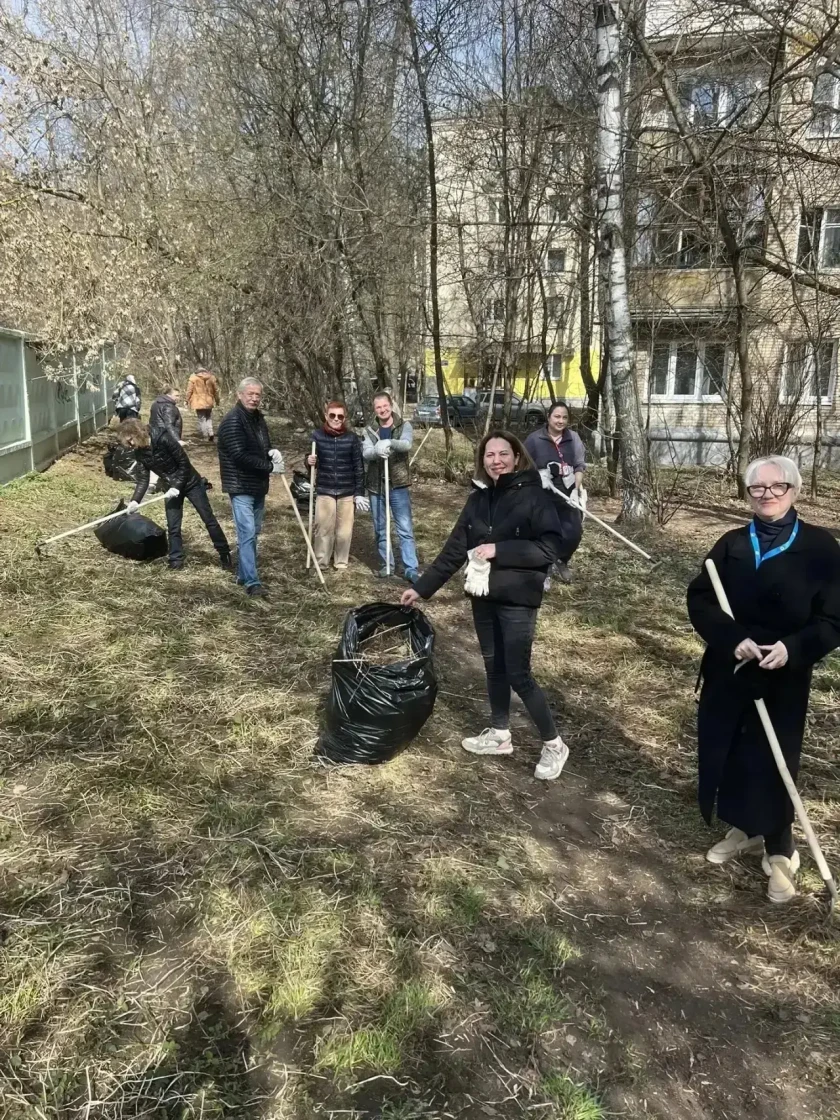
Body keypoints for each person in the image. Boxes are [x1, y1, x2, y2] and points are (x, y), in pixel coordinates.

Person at [687, 455, 840, 904]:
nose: (767, 495)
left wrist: (793, 648)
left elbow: (834, 618)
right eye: (757, 488)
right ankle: (745, 830)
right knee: (730, 748)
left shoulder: (821, 547)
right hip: (731, 665)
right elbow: (701, 599)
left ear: (794, 490)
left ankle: (780, 848)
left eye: (777, 487)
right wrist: (731, 638)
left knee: (774, 758)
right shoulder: (731, 543)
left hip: (782, 672)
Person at [401, 430, 571, 781]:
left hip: (518, 598)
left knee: (518, 673)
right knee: (494, 667)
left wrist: (498, 550)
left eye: (503, 453)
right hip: (483, 594)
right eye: (489, 455)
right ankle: (499, 734)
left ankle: (554, 744)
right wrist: (421, 589)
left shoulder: (535, 496)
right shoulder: (478, 499)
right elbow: (454, 549)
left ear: (517, 456)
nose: (496, 460)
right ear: (483, 461)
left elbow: (549, 549)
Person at [117, 419, 231, 571]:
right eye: (127, 442)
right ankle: (176, 560)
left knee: (208, 519)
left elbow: (184, 463)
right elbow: (143, 479)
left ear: (138, 433)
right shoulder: (140, 452)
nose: (130, 444)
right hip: (169, 489)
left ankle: (224, 554)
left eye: (131, 440)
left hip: (191, 483)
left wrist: (177, 486)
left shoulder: (162, 438)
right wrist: (135, 501)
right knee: (173, 526)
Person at [217, 378, 284, 598]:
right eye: (250, 394)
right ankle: (252, 583)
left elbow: (262, 446)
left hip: (258, 484)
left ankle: (242, 575)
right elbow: (239, 455)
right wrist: (269, 466)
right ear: (240, 394)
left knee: (253, 532)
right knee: (246, 532)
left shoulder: (258, 419)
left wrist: (271, 452)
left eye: (257, 395)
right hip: (240, 485)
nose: (254, 399)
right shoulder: (233, 421)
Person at [524, 401, 586, 583]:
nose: (561, 421)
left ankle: (562, 560)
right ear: (549, 417)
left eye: (565, 417)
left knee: (574, 532)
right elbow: (523, 465)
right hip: (544, 491)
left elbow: (579, 466)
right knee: (546, 531)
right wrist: (538, 476)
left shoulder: (573, 438)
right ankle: (546, 566)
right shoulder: (535, 439)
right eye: (557, 416)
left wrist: (575, 489)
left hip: (567, 491)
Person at [362, 391, 420, 582]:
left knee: (404, 528)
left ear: (391, 404)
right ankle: (386, 565)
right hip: (376, 487)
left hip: (398, 485)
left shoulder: (403, 425)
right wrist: (376, 452)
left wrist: (390, 443)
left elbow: (407, 444)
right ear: (374, 409)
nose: (382, 410)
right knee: (381, 529)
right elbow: (366, 452)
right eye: (378, 407)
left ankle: (411, 568)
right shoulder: (369, 430)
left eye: (385, 405)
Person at [306, 400, 368, 571]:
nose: (336, 419)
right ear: (326, 416)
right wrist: (309, 461)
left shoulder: (351, 438)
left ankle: (341, 563)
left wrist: (359, 492)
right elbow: (311, 461)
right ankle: (321, 562)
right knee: (323, 529)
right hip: (325, 489)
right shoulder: (317, 436)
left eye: (340, 416)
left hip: (347, 491)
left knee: (344, 531)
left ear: (344, 418)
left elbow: (358, 467)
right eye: (332, 415)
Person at [186, 367, 221, 441]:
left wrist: (186, 400)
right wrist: (217, 400)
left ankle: (205, 435)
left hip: (198, 402)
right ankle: (211, 433)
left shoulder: (193, 378)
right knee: (208, 417)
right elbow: (216, 390)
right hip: (209, 401)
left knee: (202, 419)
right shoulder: (211, 378)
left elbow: (189, 390)